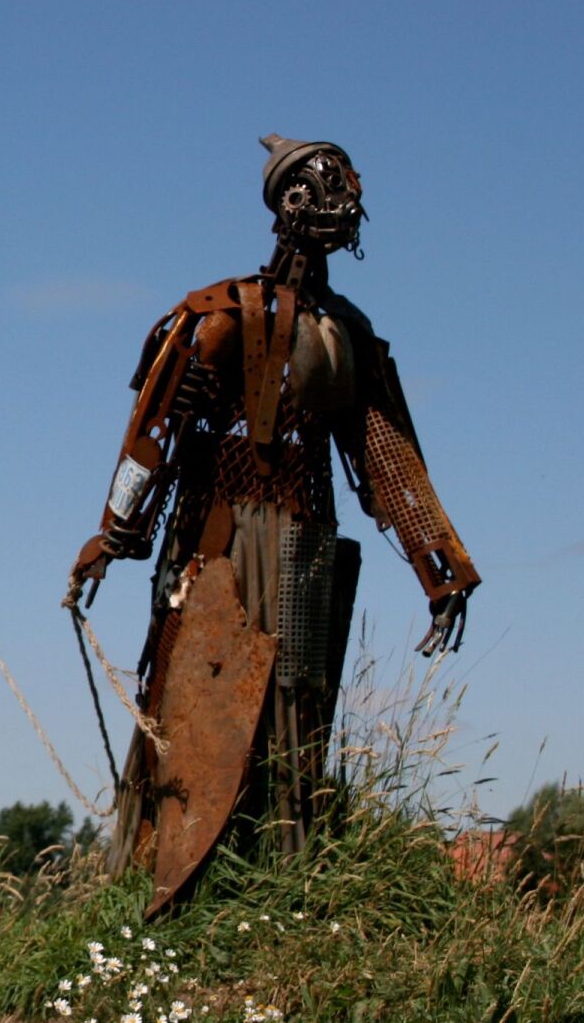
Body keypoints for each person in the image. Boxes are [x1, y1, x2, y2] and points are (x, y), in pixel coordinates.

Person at [66, 136, 480, 915]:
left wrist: (441, 567)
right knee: (190, 704)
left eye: (342, 182)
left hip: (306, 537)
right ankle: (161, 884)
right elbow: (152, 434)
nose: (338, 197)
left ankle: (287, 885)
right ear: (287, 202)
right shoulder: (217, 317)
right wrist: (114, 533)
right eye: (317, 183)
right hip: (217, 540)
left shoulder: (348, 333)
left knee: (300, 714)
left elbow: (388, 458)